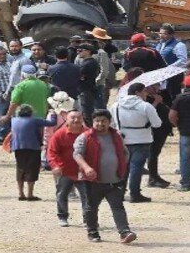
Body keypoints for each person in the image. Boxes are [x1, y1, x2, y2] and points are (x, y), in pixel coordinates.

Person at [73, 110, 137, 244]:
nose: (100, 123)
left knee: (118, 206)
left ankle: (124, 232)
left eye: (104, 121)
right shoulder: (85, 137)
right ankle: (93, 232)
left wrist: (121, 167)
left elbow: (125, 153)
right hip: (93, 181)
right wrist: (86, 168)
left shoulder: (117, 136)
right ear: (93, 122)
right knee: (92, 207)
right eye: (97, 121)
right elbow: (77, 155)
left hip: (115, 180)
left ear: (109, 122)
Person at [109, 83, 162, 203]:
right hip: (142, 139)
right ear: (138, 92)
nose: (146, 93)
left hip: (122, 139)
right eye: (144, 91)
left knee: (123, 167)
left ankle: (120, 192)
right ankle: (135, 193)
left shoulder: (116, 105)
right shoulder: (146, 106)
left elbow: (111, 123)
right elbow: (157, 124)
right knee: (136, 167)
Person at [9, 105, 58, 201]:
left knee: (20, 169)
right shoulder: (35, 120)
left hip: (18, 147)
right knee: (32, 170)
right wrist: (53, 113)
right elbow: (52, 123)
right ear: (31, 113)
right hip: (33, 147)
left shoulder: (13, 120)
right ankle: (30, 194)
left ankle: (21, 193)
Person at [47, 110, 87, 227]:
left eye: (78, 118)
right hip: (64, 171)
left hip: (83, 171)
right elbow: (52, 152)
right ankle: (62, 216)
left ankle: (88, 218)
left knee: (87, 196)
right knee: (61, 194)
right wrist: (55, 166)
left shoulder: (88, 133)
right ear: (67, 120)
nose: (76, 120)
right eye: (73, 118)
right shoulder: (59, 134)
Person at [145, 84, 173, 188]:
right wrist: (156, 102)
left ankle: (154, 176)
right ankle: (153, 177)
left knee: (155, 153)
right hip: (154, 130)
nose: (157, 89)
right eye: (153, 87)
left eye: (157, 87)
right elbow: (146, 114)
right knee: (153, 153)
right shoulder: (145, 100)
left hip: (163, 128)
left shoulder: (158, 95)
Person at [156, 24, 188, 101]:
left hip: (173, 77)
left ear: (171, 35)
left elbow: (182, 60)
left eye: (164, 34)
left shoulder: (179, 45)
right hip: (160, 76)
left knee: (173, 98)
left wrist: (169, 68)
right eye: (160, 33)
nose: (161, 36)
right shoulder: (159, 44)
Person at [86, 28, 116, 109]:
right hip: (102, 82)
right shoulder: (99, 52)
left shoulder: (101, 52)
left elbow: (105, 71)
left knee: (100, 105)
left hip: (102, 82)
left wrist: (97, 81)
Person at [76, 43, 101, 126]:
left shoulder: (88, 63)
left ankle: (90, 131)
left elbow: (79, 76)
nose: (78, 52)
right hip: (89, 89)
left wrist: (80, 77)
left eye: (80, 50)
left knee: (86, 113)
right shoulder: (91, 62)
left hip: (86, 90)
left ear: (88, 51)